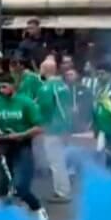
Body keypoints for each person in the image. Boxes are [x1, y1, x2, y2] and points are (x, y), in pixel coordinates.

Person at [0, 73, 49, 220]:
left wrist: (20, 135)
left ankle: (38, 209)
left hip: (22, 146)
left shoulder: (26, 103)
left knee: (21, 186)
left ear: (13, 86)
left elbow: (39, 127)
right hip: (3, 147)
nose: (1, 90)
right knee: (3, 185)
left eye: (5, 86)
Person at [36, 57, 73, 202]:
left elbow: (43, 110)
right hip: (65, 127)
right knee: (61, 160)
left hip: (53, 130)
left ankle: (62, 192)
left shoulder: (45, 88)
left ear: (45, 70)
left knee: (55, 162)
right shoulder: (63, 85)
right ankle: (64, 189)